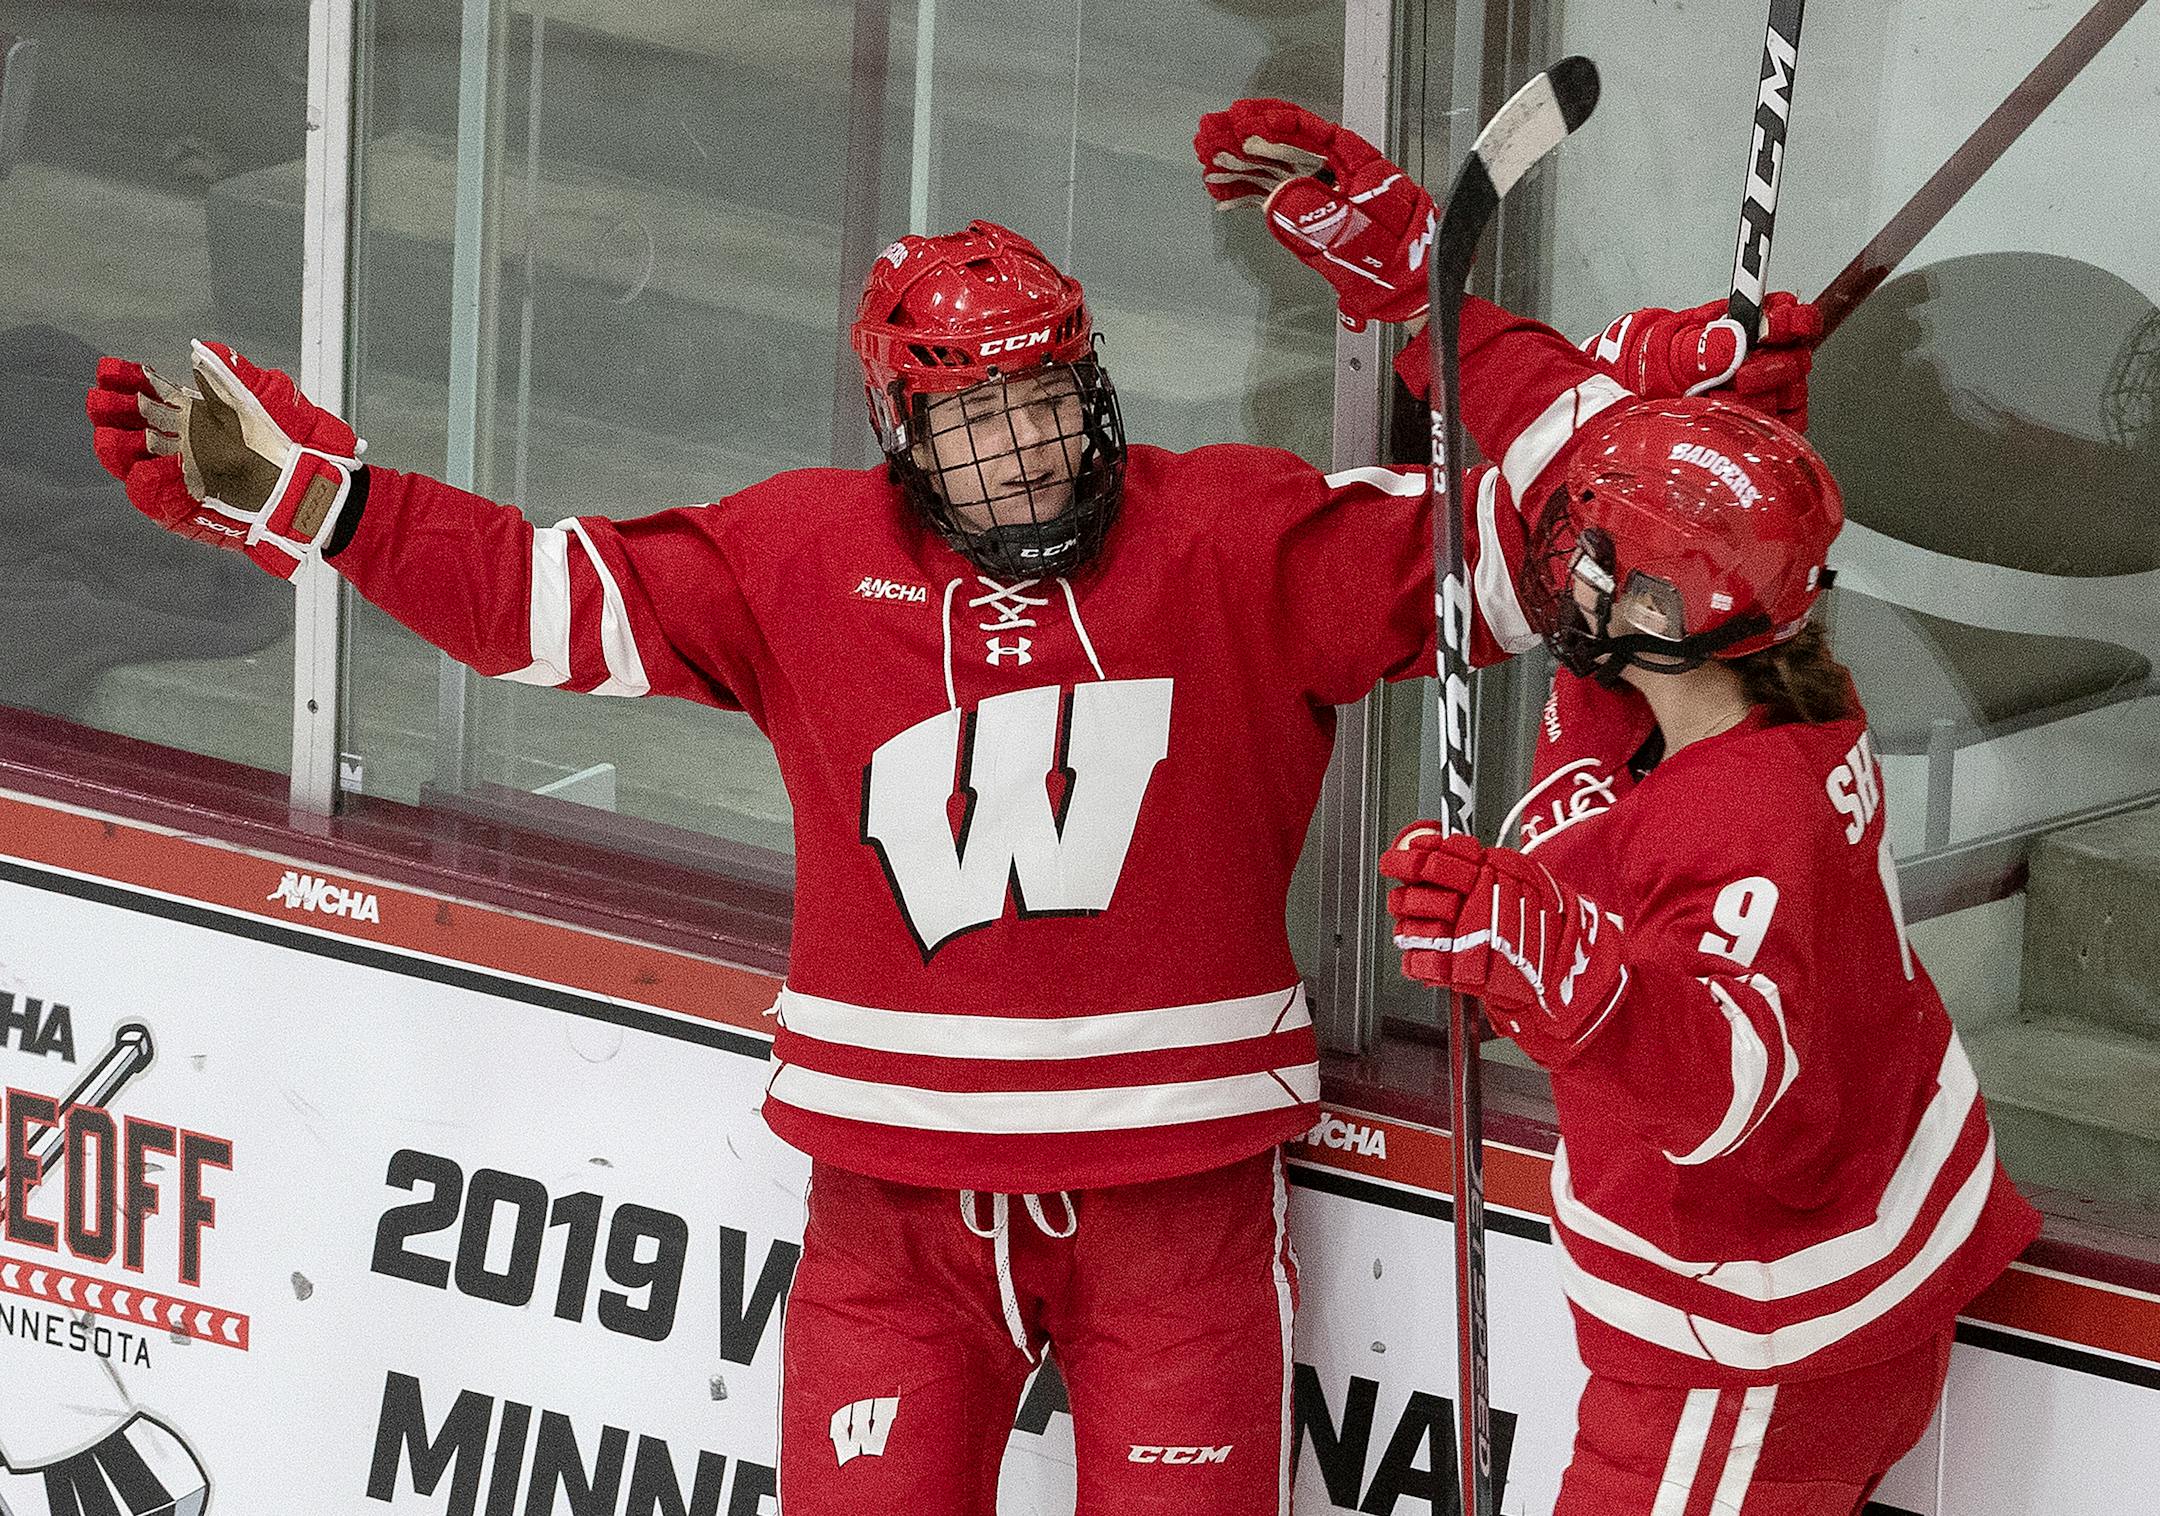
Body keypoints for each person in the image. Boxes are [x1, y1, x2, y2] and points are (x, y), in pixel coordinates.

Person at [86, 99, 1817, 1515]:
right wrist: (334, 507)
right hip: (891, 1221)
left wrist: (1639, 405)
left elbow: (1558, 556)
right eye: (975, 418)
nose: (1027, 451)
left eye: (1051, 398)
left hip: (1176, 1205)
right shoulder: (793, 559)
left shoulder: (1235, 538)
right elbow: (544, 597)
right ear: (902, 432)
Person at [1378, 396, 2042, 1514]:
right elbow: (1571, 442)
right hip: (1850, 1305)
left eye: (1602, 560)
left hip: (1750, 1349)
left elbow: (1724, 1079)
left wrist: (1561, 972)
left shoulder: (1736, 822)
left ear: (1668, 609)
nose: (1567, 569)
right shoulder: (1778, 695)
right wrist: (1422, 290)